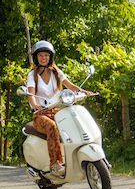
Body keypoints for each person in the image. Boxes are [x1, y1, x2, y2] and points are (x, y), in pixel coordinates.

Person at [26, 40, 89, 178]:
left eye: (46, 55)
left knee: (74, 120)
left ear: (50, 57)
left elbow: (70, 85)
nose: (44, 58)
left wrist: (83, 91)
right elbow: (30, 94)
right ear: (36, 57)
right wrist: (35, 105)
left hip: (57, 110)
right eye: (41, 55)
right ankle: (56, 165)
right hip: (40, 114)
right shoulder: (32, 75)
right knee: (51, 127)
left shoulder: (56, 72)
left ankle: (76, 158)